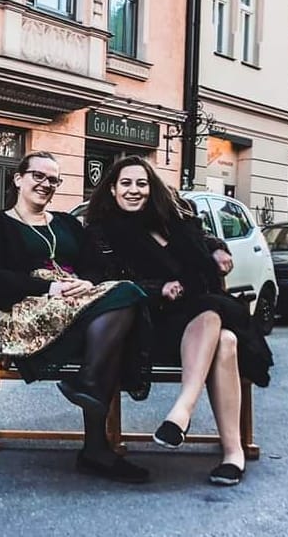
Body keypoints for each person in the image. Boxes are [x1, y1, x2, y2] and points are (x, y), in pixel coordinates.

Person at [85, 155, 273, 487]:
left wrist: (218, 249)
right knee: (219, 328)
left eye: (141, 183)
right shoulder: (104, 232)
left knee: (223, 335)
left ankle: (204, 432)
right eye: (126, 183)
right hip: (151, 324)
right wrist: (158, 289)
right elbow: (107, 280)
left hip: (200, 316)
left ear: (151, 187)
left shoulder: (174, 217)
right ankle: (227, 447)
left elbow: (202, 241)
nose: (134, 190)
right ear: (112, 190)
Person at [0, 151, 151, 484]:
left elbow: (95, 265)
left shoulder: (67, 223)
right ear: (18, 178)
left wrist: (86, 281)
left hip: (77, 304)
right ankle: (96, 445)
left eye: (53, 179)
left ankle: (90, 392)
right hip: (30, 311)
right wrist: (48, 287)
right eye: (38, 176)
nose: (46, 185)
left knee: (126, 294)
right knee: (119, 310)